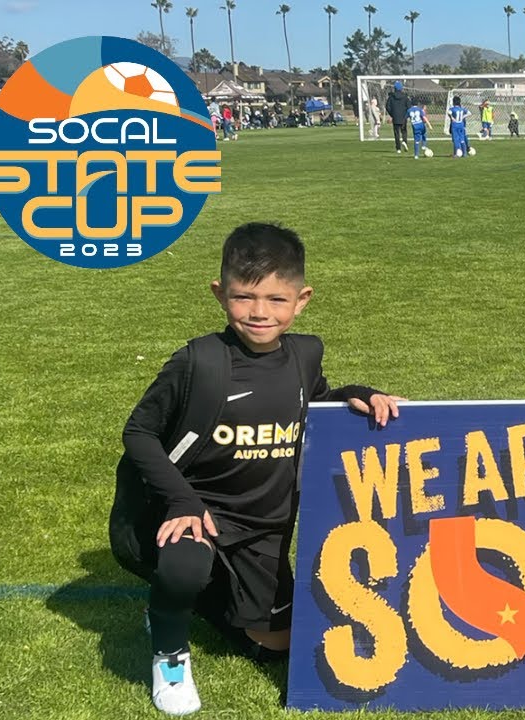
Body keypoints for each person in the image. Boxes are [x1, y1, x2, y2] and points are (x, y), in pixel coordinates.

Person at [109, 222, 404, 715]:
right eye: (244, 297)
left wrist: (360, 395)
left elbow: (316, 401)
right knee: (185, 565)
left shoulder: (304, 355)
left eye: (276, 299)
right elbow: (138, 432)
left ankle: (192, 602)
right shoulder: (198, 361)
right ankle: (169, 651)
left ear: (302, 299)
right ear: (219, 293)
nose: (260, 312)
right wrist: (182, 499)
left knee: (278, 647)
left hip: (263, 531)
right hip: (194, 514)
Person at [385, 80, 411, 153]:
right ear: (401, 88)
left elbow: (387, 107)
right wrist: (406, 115)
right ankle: (404, 141)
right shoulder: (405, 97)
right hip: (403, 117)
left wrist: (392, 114)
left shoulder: (391, 97)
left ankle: (398, 148)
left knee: (396, 133)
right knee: (404, 131)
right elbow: (409, 106)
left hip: (395, 117)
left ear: (395, 88)